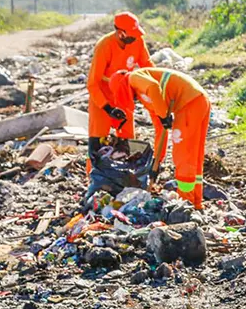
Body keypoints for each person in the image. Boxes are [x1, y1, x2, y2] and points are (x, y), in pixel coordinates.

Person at [108, 67, 212, 208]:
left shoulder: (133, 77)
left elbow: (153, 86)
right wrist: (157, 160)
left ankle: (185, 202)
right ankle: (196, 202)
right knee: (194, 153)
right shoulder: (146, 96)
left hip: (189, 102)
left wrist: (163, 115)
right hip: (198, 100)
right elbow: (160, 129)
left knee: (183, 154)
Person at [86, 12, 152, 173]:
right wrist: (108, 109)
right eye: (132, 34)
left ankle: (126, 175)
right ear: (120, 32)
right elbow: (92, 84)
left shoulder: (138, 42)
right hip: (102, 97)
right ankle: (94, 178)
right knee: (98, 142)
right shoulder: (104, 46)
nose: (136, 37)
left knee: (128, 140)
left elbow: (148, 67)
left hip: (123, 95)